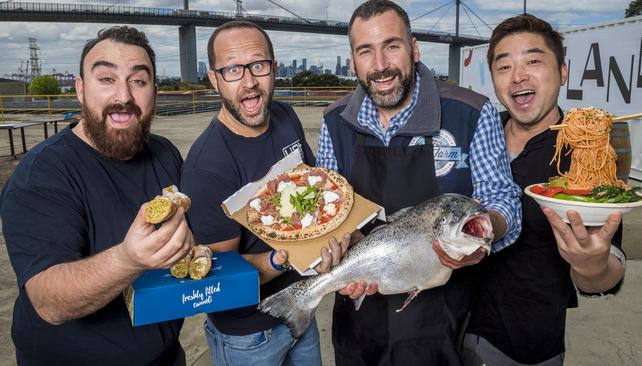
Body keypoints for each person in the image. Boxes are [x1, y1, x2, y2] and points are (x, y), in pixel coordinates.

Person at [315, 1, 522, 365]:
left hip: (443, 321)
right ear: (352, 60)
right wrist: (332, 250)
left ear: (414, 48)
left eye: (392, 46)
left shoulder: (470, 112)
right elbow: (327, 212)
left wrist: (483, 234)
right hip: (358, 318)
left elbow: (502, 198)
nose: (380, 66)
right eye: (366, 51)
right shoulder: (335, 122)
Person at [0, 26, 192, 365]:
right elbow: (48, 300)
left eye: (138, 81)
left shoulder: (165, 154)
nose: (123, 96)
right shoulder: (41, 175)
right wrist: (128, 259)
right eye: (106, 79)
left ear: (155, 93)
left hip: (165, 356)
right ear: (80, 89)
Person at [180, 21, 348, 366]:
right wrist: (284, 257)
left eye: (258, 65)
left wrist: (336, 237)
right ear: (214, 79)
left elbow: (312, 187)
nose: (249, 81)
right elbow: (221, 274)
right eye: (232, 70)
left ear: (273, 67)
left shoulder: (285, 115)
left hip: (302, 305)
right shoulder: (207, 166)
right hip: (248, 335)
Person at [462, 14, 627, 366]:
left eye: (534, 61)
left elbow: (607, 272)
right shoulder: (471, 137)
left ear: (563, 73)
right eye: (503, 67)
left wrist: (592, 265)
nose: (519, 76)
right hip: (443, 332)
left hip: (523, 348)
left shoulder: (586, 156)